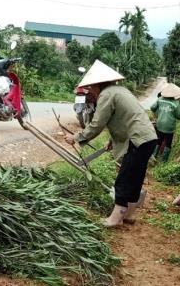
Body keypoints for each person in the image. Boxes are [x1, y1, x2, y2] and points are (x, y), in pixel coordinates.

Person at [64, 60, 157, 227]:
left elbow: (97, 124)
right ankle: (128, 215)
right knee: (135, 177)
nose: (89, 92)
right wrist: (111, 140)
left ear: (97, 85)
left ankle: (116, 218)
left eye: (90, 88)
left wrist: (77, 137)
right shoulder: (119, 90)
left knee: (124, 178)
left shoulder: (106, 95)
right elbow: (124, 119)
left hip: (137, 139)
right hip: (147, 138)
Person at [150, 83, 180, 162]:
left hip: (160, 124)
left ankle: (153, 157)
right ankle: (164, 161)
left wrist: (159, 112)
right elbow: (178, 115)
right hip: (169, 126)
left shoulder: (160, 99)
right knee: (168, 143)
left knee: (159, 141)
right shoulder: (175, 103)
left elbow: (152, 108)